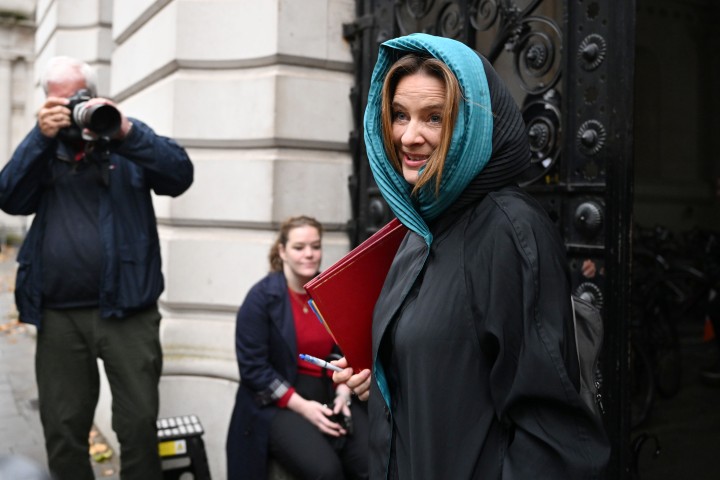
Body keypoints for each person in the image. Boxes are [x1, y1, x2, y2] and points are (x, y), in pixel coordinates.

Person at [331, 33, 611, 479]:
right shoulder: (421, 226)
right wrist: (382, 377)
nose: (409, 136)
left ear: (472, 125)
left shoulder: (509, 229)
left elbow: (549, 438)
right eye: (400, 115)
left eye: (434, 118)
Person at [0, 56, 193, 480]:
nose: (70, 109)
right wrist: (39, 137)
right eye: (59, 101)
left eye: (77, 98)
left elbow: (180, 175)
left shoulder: (123, 140)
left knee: (138, 425)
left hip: (129, 311)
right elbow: (9, 198)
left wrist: (125, 130)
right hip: (59, 316)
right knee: (63, 429)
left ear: (94, 95)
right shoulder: (45, 151)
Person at [226, 215, 369, 480]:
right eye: (299, 247)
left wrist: (343, 393)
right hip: (281, 401)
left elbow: (349, 350)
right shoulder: (260, 299)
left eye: (316, 246)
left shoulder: (330, 290)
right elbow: (253, 369)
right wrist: (305, 408)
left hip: (331, 390)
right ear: (282, 251)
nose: (309, 254)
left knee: (373, 463)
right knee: (326, 472)